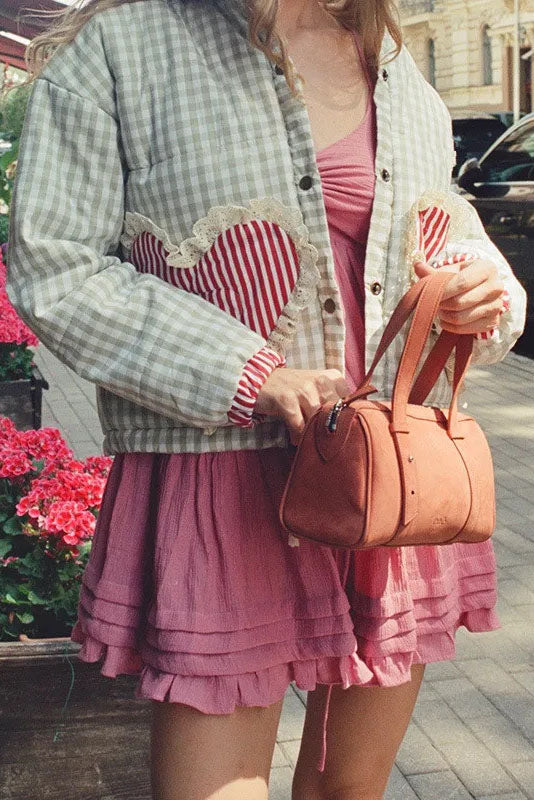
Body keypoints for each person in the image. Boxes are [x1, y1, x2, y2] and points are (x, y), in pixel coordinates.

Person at [6, 0, 526, 798]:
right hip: (219, 481)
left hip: (388, 483)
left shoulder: (390, 63)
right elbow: (57, 268)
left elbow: (443, 226)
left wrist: (478, 286)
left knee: (348, 791)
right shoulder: (127, 49)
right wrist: (247, 373)